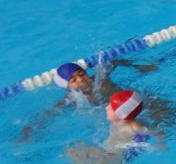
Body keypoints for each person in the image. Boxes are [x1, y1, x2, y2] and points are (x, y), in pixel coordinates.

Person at [15, 59, 157, 142]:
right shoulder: (72, 98)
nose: (81, 79)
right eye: (73, 79)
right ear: (67, 86)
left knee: (159, 111)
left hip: (135, 105)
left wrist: (139, 66)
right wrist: (29, 131)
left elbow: (114, 62)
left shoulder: (101, 78)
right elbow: (49, 113)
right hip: (124, 117)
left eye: (81, 74)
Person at [66, 90, 163, 164]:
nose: (106, 107)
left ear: (122, 113)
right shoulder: (118, 120)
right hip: (108, 150)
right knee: (73, 148)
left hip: (117, 157)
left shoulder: (131, 127)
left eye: (111, 107)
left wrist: (160, 144)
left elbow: (155, 133)